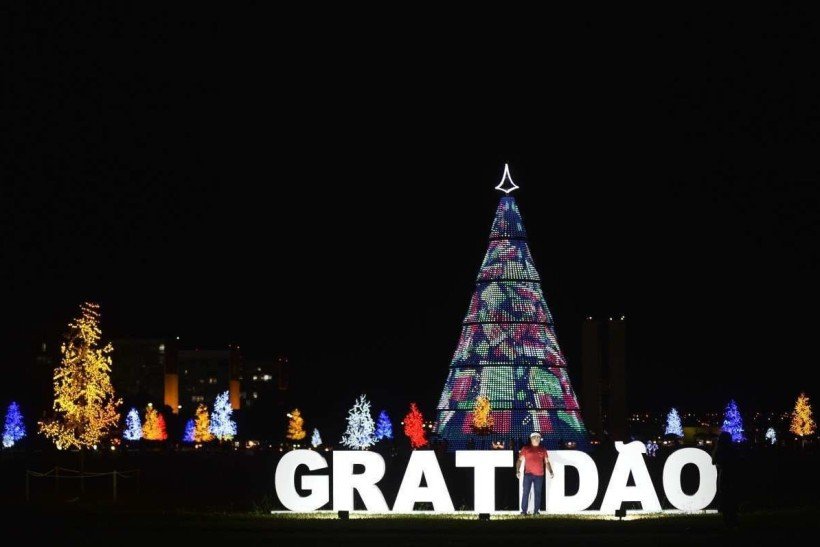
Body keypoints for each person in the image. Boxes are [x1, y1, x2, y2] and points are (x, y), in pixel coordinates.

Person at [515, 431, 554, 515]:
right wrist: (517, 470)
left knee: (538, 494)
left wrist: (551, 471)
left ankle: (536, 511)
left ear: (540, 439)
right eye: (535, 437)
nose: (536, 439)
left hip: (539, 475)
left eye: (538, 437)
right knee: (525, 493)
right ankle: (523, 511)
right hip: (528, 474)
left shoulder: (543, 449)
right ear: (531, 438)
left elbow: (546, 462)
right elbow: (519, 460)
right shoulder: (525, 448)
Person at [711, 431, 739, 527]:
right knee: (731, 497)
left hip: (723, 475)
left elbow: (713, 461)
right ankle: (733, 520)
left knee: (724, 497)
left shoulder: (720, 449)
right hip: (732, 475)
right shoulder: (733, 449)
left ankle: (727, 521)